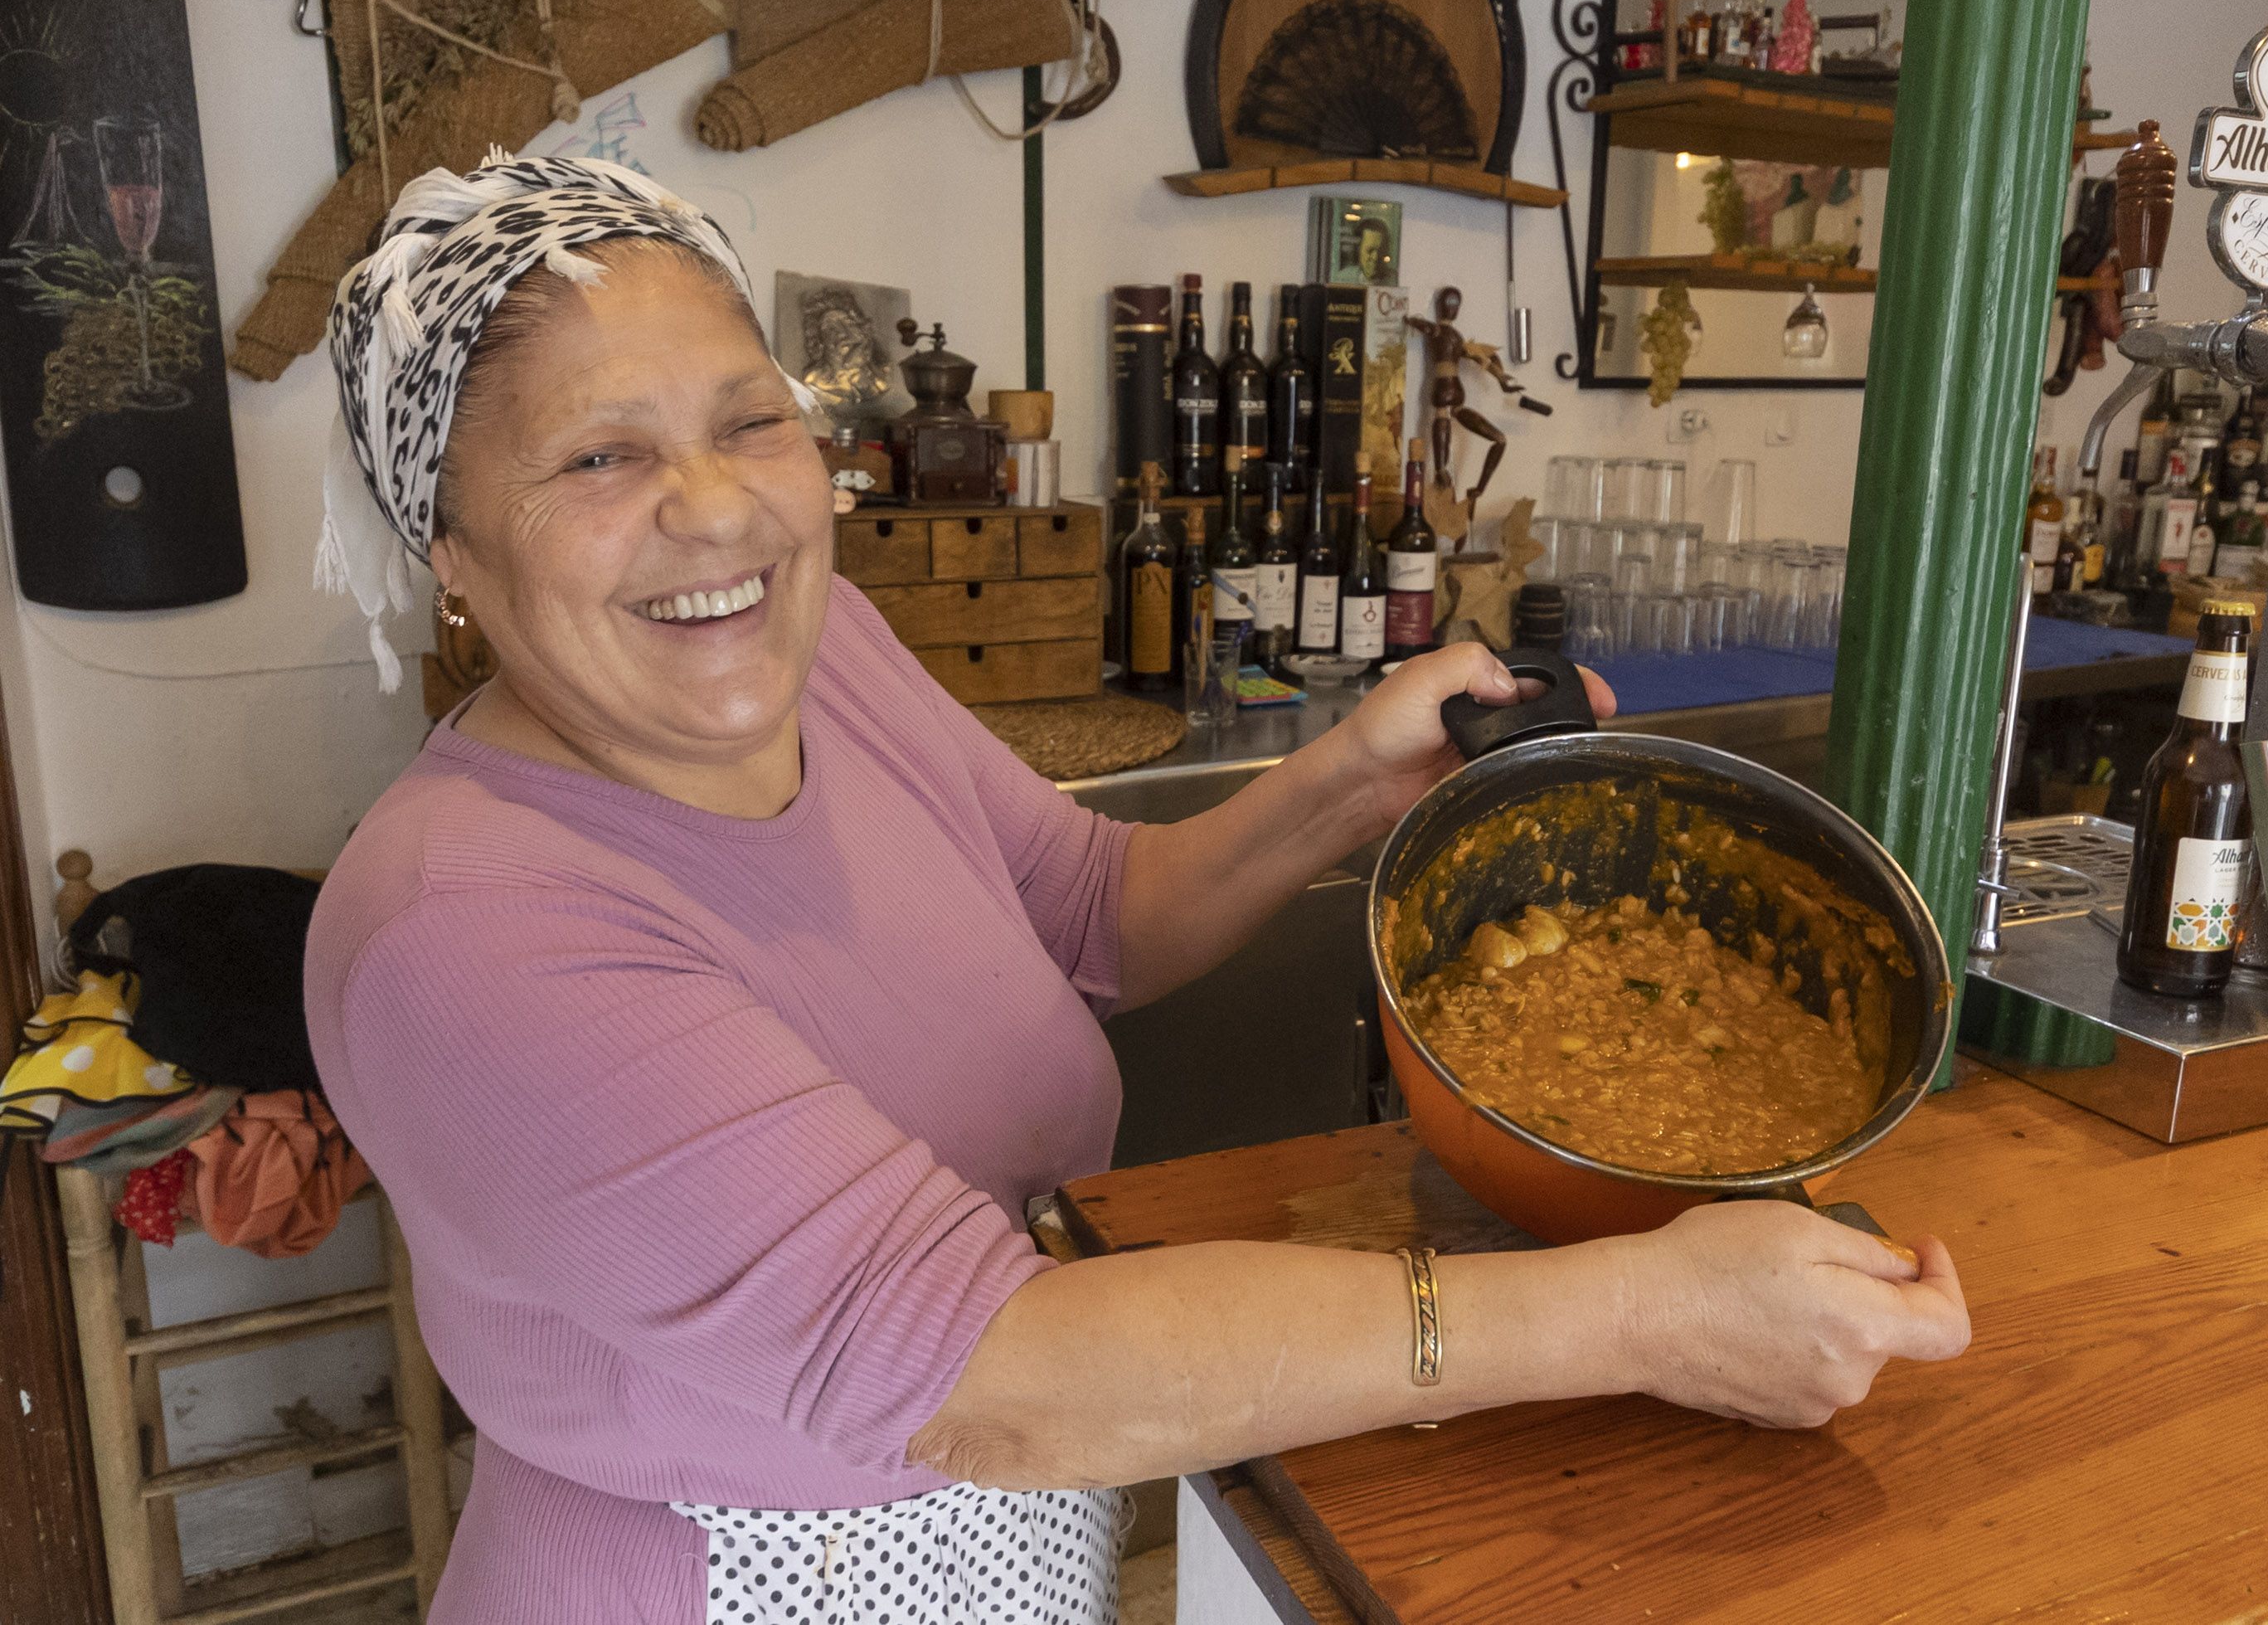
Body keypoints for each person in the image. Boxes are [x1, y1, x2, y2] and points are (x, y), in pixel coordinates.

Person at [302, 156, 1971, 1624]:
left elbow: (1090, 906)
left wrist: (1344, 779)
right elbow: (991, 1372)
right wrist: (1641, 1311)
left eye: (750, 418)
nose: (715, 506)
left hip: (1033, 1519)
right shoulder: (464, 927)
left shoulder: (823, 656)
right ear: (446, 547)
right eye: (598, 458)